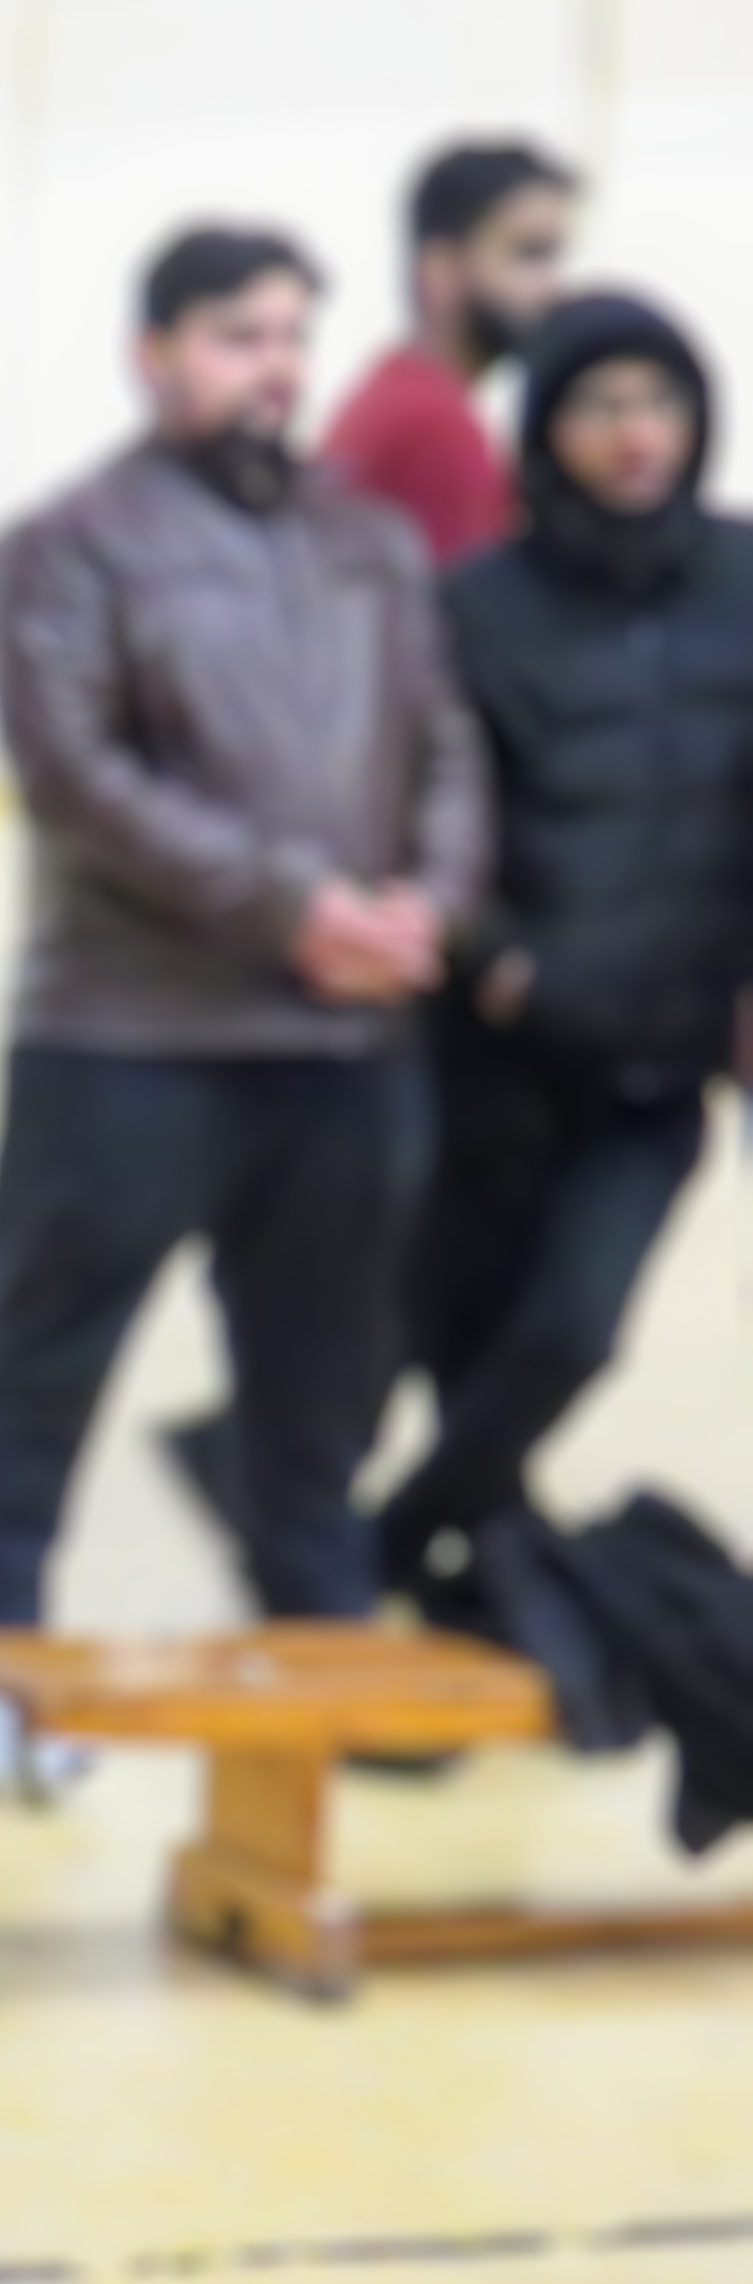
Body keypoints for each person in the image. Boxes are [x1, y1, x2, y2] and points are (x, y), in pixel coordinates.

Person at [0, 224, 489, 1639]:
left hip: (344, 1051)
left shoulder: (366, 542)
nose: (275, 369)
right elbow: (80, 785)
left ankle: (312, 1677)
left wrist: (424, 904)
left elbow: (447, 746)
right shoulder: (59, 551)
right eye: (240, 336)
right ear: (154, 352)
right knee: (37, 1378)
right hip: (126, 1043)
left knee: (319, 1404)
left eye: (294, 337)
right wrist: (297, 908)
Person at [374, 293, 753, 1593]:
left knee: (572, 1334)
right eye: (600, 405)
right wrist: (492, 957)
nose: (635, 432)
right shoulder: (475, 602)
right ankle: (470, 1576)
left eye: (658, 401)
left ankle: (387, 1543)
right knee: (465, 1344)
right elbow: (410, 805)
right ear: (546, 430)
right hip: (494, 1057)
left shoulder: (743, 577)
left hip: (657, 1065)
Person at [322, 139, 578, 569]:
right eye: (529, 254)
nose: (554, 288)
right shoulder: (438, 428)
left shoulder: (397, 391)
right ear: (440, 269)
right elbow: (468, 623)